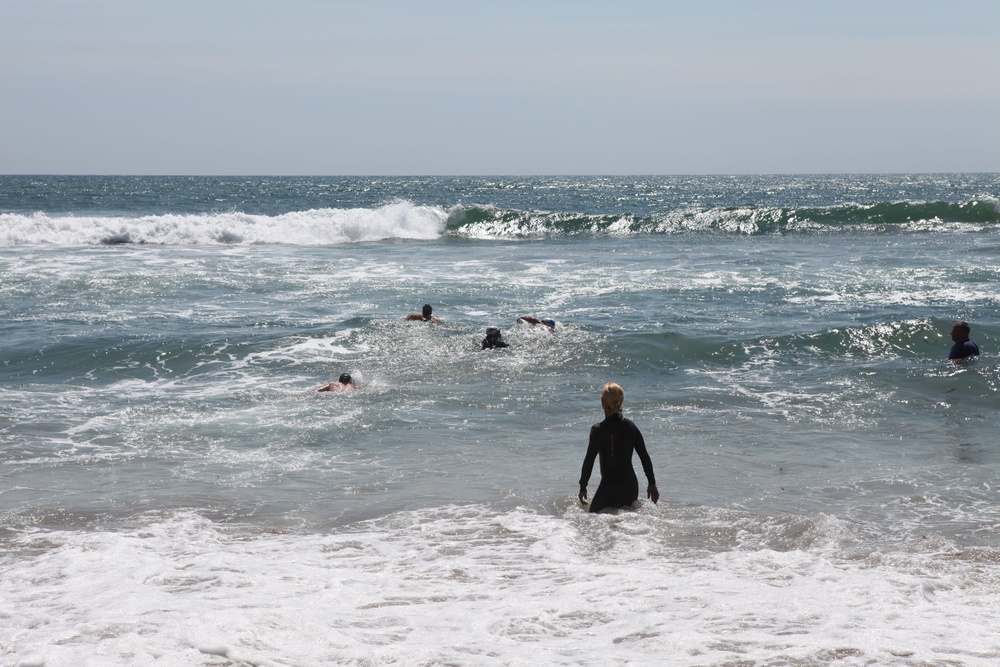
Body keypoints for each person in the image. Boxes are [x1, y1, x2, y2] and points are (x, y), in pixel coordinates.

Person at [578, 382, 658, 513]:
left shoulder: (597, 430)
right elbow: (644, 456)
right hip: (630, 486)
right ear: (621, 401)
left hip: (608, 486)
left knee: (593, 518)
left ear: (603, 402)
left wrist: (583, 487)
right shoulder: (631, 427)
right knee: (626, 523)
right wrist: (652, 483)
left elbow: (589, 460)